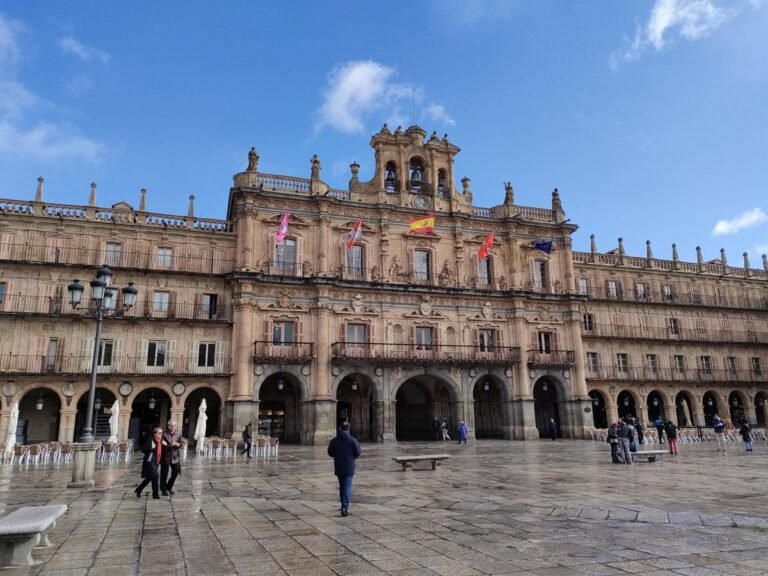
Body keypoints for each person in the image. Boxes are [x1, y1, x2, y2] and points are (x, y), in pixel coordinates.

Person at [327, 421, 361, 517]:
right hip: (349, 467)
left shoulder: (334, 441)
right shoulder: (352, 440)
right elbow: (358, 452)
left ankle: (343, 504)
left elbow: (330, 452)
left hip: (339, 466)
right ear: (349, 429)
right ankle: (344, 507)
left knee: (342, 486)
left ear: (340, 428)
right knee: (346, 486)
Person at [135, 427, 163, 499]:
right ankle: (155, 494)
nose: (161, 434)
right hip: (149, 461)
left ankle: (139, 489)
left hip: (156, 461)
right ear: (155, 433)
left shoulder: (160, 440)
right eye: (159, 433)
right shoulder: (151, 440)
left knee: (150, 478)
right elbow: (143, 449)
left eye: (161, 433)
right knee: (156, 476)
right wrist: (151, 448)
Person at [160, 420, 184, 496]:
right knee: (164, 473)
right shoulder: (164, 434)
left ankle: (169, 487)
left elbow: (181, 442)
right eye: (171, 425)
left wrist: (178, 444)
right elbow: (162, 444)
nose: (173, 427)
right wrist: (170, 445)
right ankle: (163, 490)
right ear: (168, 426)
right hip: (166, 456)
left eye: (174, 425)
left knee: (176, 471)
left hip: (174, 456)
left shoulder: (178, 433)